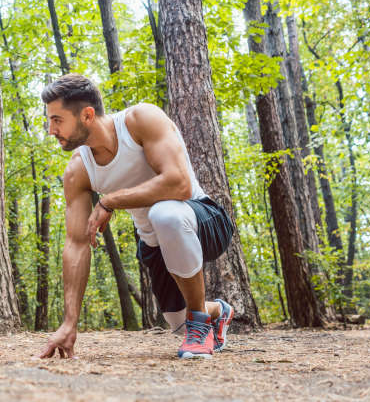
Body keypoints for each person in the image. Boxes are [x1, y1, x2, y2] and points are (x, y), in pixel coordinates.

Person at [38, 74, 235, 360]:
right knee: (178, 323)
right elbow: (76, 244)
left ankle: (200, 324)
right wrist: (69, 324)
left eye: (57, 120)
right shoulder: (79, 169)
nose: (50, 129)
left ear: (87, 115)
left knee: (164, 214)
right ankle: (215, 311)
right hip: (155, 245)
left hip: (203, 220)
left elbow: (178, 183)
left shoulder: (141, 120)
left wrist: (111, 200)